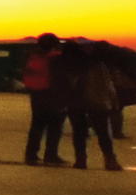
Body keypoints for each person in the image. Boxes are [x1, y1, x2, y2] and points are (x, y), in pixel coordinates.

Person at [62, 42, 121, 171]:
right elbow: (107, 85)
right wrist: (113, 100)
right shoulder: (99, 66)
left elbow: (66, 85)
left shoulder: (71, 66)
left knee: (79, 132)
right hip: (98, 103)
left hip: (75, 103)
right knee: (102, 132)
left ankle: (80, 159)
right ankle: (109, 159)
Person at [22, 33, 67, 165]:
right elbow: (60, 78)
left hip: (36, 92)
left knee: (37, 125)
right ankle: (51, 155)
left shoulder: (31, 56)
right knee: (55, 126)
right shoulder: (55, 58)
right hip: (52, 93)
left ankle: (31, 155)